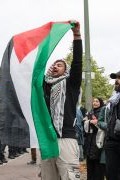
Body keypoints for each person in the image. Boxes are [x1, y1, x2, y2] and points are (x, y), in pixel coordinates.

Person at [40, 20, 82, 180]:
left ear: (66, 70)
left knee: (69, 176)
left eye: (60, 65)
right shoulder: (44, 85)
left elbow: (77, 61)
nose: (56, 66)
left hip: (66, 138)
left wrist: (77, 35)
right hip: (47, 139)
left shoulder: (71, 83)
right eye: (54, 65)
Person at [83, 97, 106, 180]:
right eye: (94, 101)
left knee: (98, 168)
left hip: (98, 143)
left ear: (101, 103)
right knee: (90, 168)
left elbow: (102, 126)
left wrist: (95, 123)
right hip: (89, 143)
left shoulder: (103, 112)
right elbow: (85, 128)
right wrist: (87, 121)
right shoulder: (90, 112)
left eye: (97, 101)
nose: (95, 103)